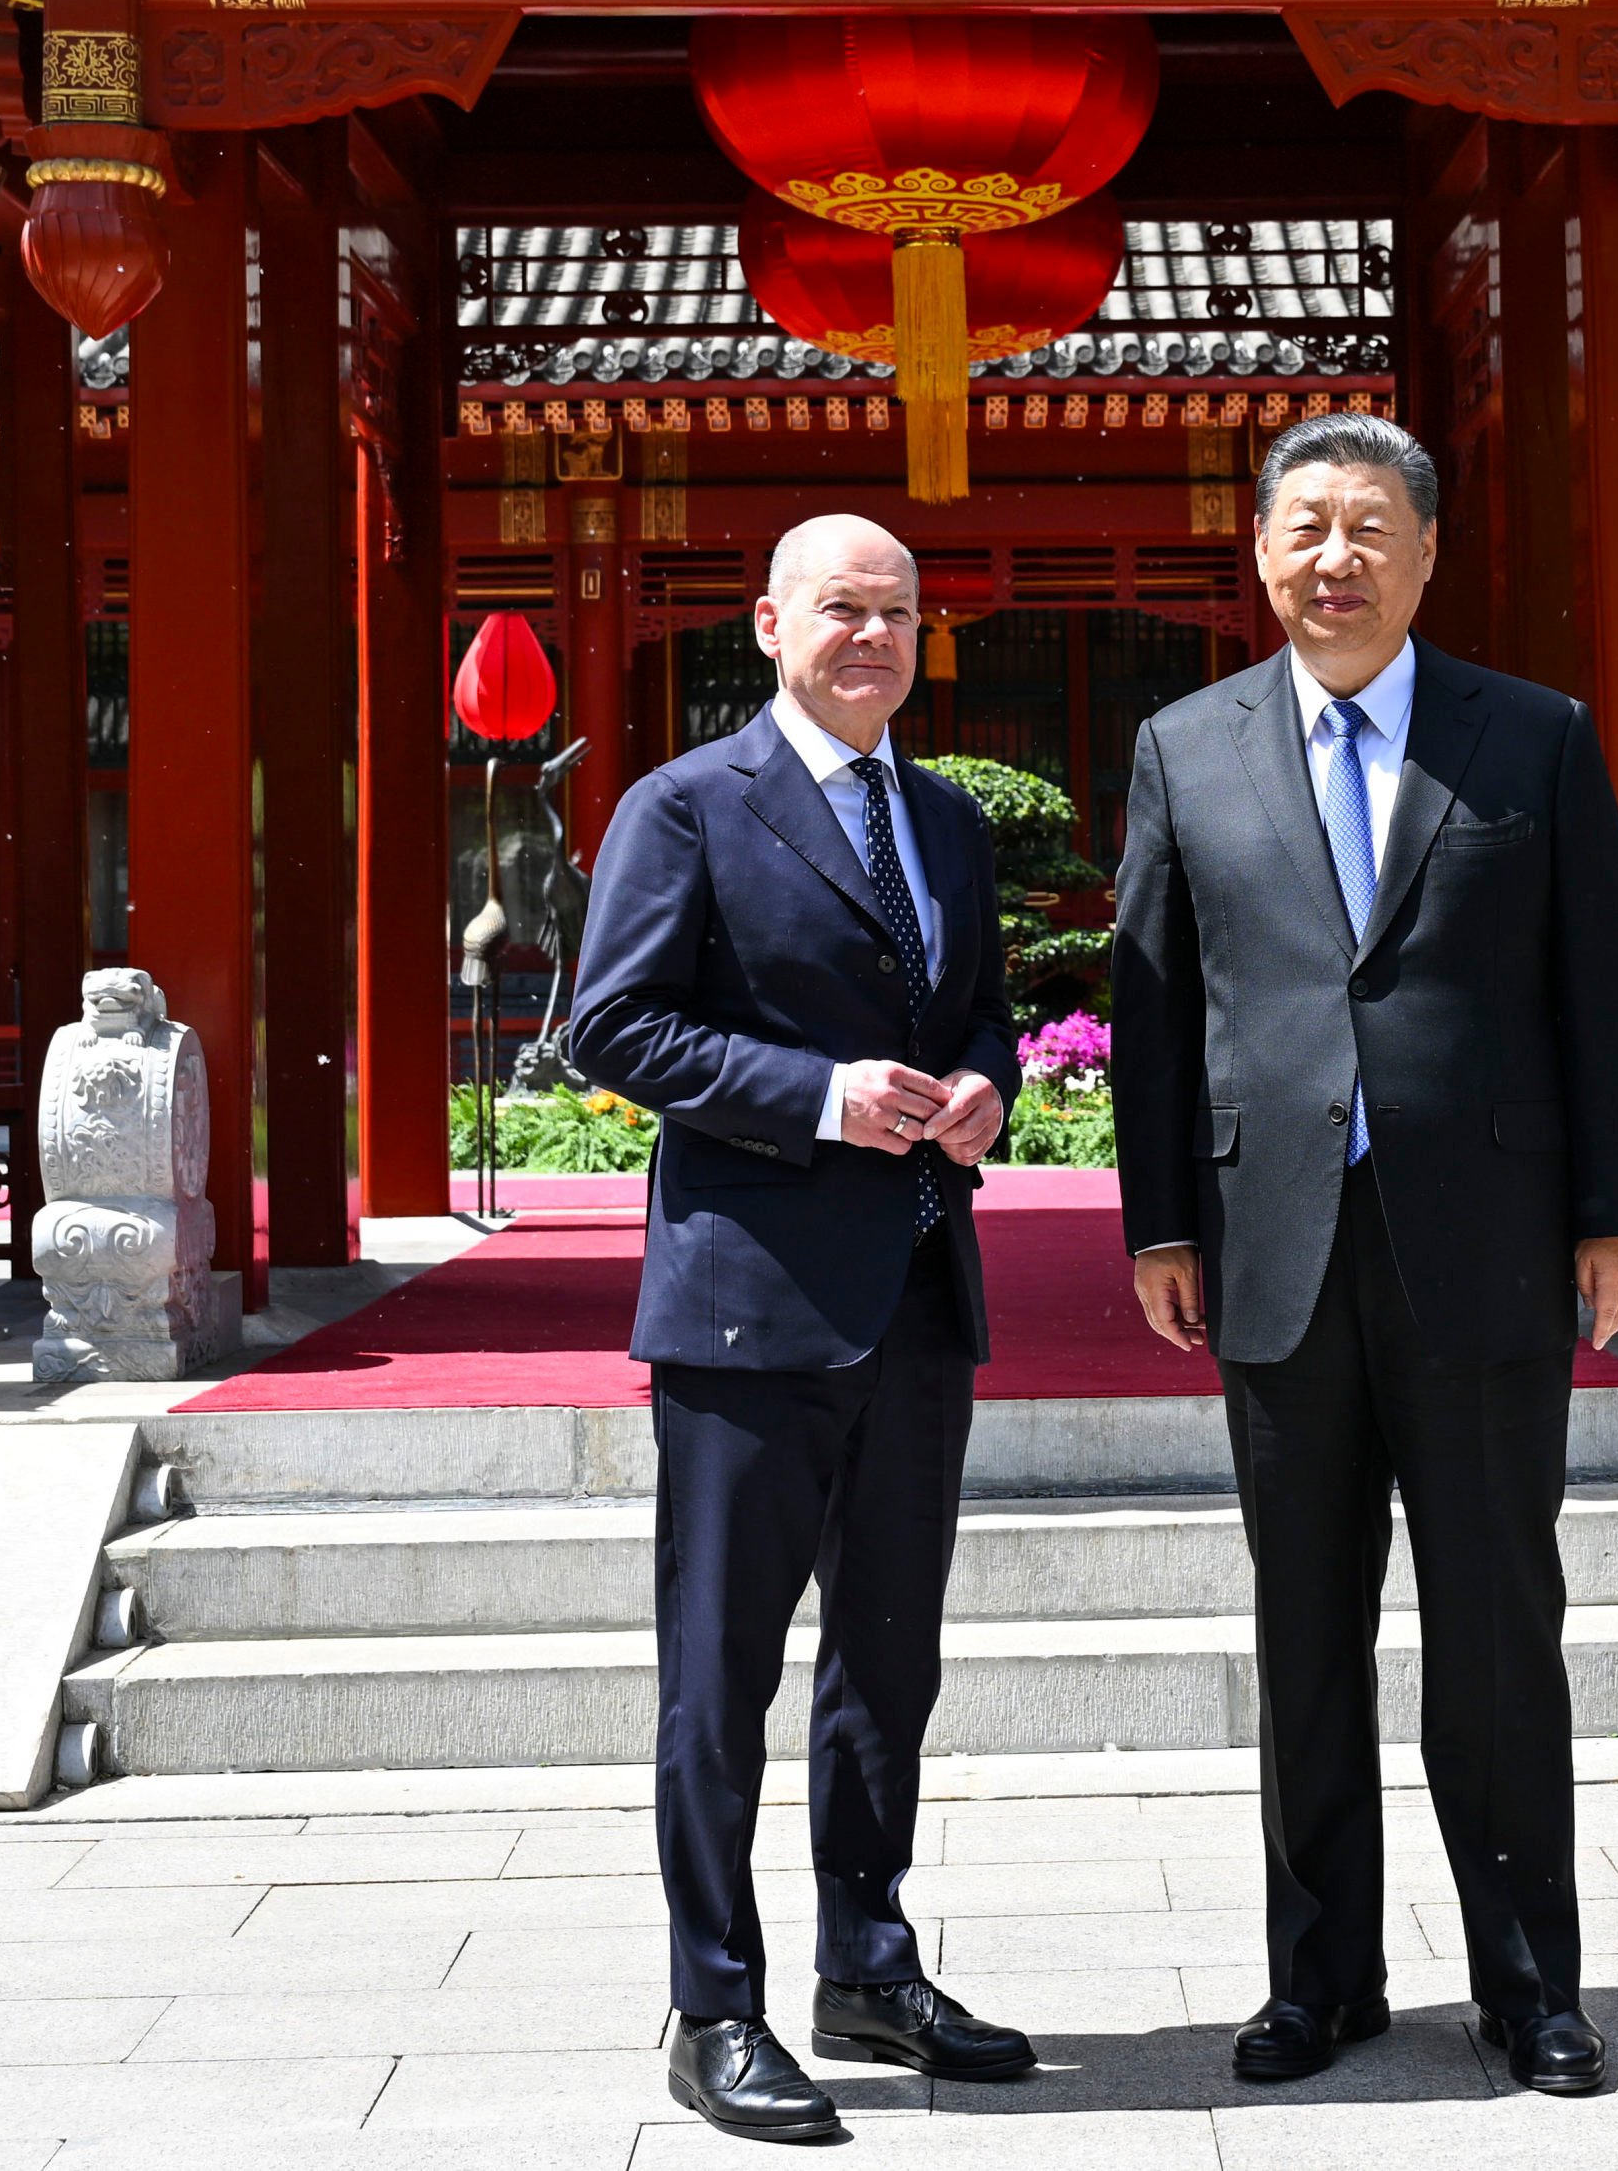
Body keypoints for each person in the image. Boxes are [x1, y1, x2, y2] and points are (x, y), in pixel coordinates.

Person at [1108, 410, 1618, 2098]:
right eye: (1306, 528)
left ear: (1426, 554)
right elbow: (1151, 1007)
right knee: (1306, 1629)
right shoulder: (1183, 745)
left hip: (1485, 1240)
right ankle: (1320, 1977)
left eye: (1369, 527)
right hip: (1274, 1243)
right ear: (1260, 554)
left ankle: (1529, 1984)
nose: (1334, 557)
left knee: (1498, 1618)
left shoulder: (1534, 736)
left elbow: (1598, 978)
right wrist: (1157, 1220)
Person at [567, 511, 1035, 2144]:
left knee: (886, 1662)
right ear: (769, 623)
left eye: (900, 613)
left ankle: (869, 1962)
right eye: (843, 607)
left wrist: (989, 1084)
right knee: (720, 1675)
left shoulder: (950, 819)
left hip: (918, 1293)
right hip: (747, 1305)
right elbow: (608, 1024)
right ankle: (715, 2001)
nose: (875, 637)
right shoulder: (687, 804)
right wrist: (818, 1096)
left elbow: (976, 1007)